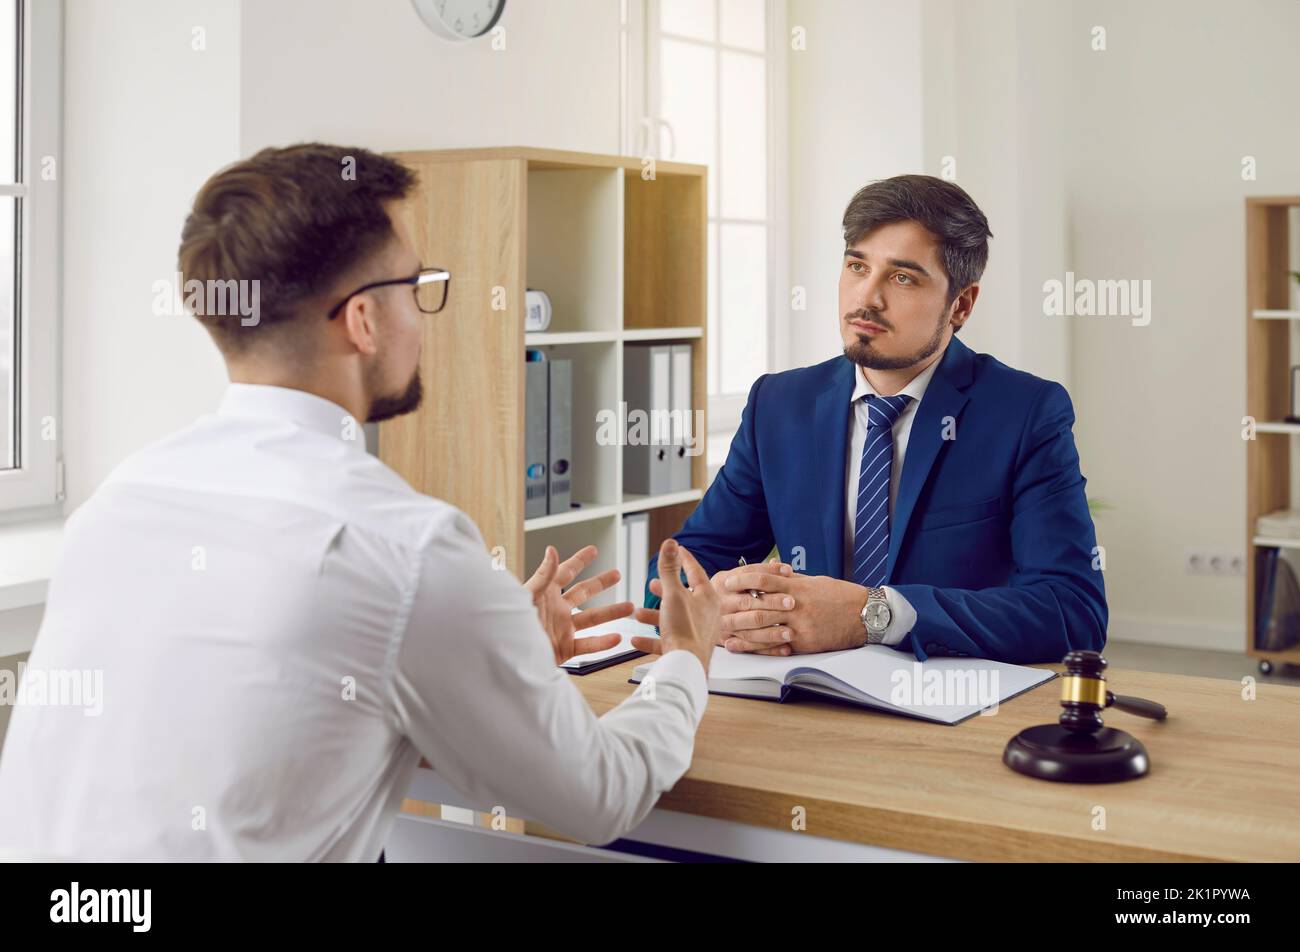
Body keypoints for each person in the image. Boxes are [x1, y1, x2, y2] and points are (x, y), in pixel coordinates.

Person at [0, 143, 720, 860]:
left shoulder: (116, 503)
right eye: (417, 286)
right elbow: (601, 795)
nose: (424, 315)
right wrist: (685, 661)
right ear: (364, 320)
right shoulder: (406, 548)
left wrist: (499, 653)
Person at [642, 175, 1106, 665]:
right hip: (803, 695)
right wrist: (722, 601)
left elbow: (1073, 611)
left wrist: (873, 614)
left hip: (949, 704)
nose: (867, 298)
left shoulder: (1025, 413)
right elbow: (674, 573)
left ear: (961, 305)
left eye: (902, 277)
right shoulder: (778, 405)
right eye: (857, 266)